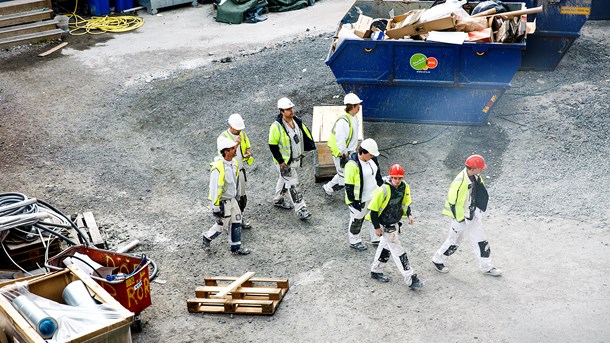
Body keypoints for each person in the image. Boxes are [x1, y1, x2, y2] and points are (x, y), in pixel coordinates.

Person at [431, 154, 502, 276]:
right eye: (480, 167)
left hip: (472, 215)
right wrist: (460, 220)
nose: (482, 169)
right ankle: (438, 259)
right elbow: (453, 203)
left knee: (481, 241)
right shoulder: (459, 182)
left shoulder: (475, 176)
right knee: (453, 242)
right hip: (460, 218)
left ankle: (486, 266)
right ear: (473, 169)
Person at [369, 164, 423, 290]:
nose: (397, 181)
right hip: (386, 225)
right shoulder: (382, 190)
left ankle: (376, 270)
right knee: (399, 251)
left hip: (393, 222)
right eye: (395, 178)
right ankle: (410, 278)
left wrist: (409, 214)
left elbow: (405, 202)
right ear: (390, 176)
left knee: (385, 248)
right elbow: (373, 211)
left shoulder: (404, 187)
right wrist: (377, 227)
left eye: (399, 178)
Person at [268, 97, 316, 220]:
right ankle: (301, 209)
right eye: (287, 109)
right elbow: (272, 145)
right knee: (293, 184)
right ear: (281, 111)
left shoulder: (296, 121)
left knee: (283, 179)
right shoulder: (276, 127)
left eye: (291, 108)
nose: (291, 111)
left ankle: (278, 199)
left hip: (294, 160)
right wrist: (281, 162)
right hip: (285, 163)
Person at [202, 137, 250, 255]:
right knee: (222, 225)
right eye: (233, 148)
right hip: (223, 202)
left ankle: (236, 247)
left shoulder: (234, 164)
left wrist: (237, 197)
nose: (235, 150)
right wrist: (216, 208)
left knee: (236, 221)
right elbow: (214, 189)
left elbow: (235, 181)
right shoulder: (218, 168)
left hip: (232, 200)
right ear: (226, 151)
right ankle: (207, 238)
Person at [343, 138, 383, 250]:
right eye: (370, 155)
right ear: (363, 152)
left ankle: (376, 237)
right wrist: (354, 201)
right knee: (357, 219)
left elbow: (377, 176)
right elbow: (349, 185)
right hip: (360, 199)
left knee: (374, 216)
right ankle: (354, 241)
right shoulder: (352, 165)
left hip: (373, 195)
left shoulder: (372, 160)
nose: (372, 157)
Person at [217, 113, 254, 229]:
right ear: (230, 126)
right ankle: (230, 222)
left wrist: (248, 152)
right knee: (230, 197)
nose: (239, 131)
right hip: (230, 172)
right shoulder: (222, 138)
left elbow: (247, 145)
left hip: (240, 170)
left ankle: (240, 217)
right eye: (237, 129)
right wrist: (237, 143)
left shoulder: (242, 134)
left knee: (242, 197)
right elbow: (224, 155)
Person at [322, 93, 362, 198]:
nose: (359, 107)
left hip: (349, 151)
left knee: (346, 174)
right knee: (344, 176)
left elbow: (352, 136)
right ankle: (328, 188)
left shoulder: (353, 118)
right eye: (358, 105)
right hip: (341, 153)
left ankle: (331, 188)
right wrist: (344, 153)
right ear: (353, 106)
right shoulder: (343, 122)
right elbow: (340, 139)